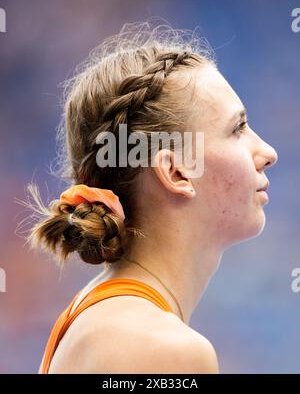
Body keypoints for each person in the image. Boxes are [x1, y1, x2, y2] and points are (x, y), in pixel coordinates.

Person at [26, 20, 278, 374]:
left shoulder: (110, 318)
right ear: (176, 172)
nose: (268, 152)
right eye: (237, 128)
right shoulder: (156, 346)